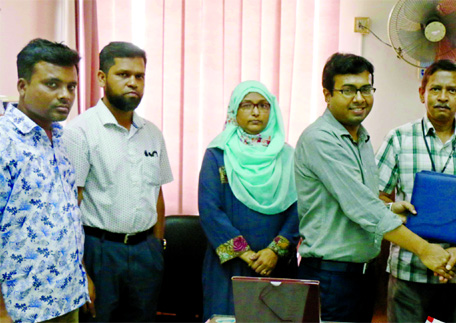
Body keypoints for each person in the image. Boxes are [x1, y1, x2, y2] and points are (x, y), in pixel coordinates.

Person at [294, 53, 453, 322]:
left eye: (366, 89)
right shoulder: (320, 139)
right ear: (327, 94)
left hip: (362, 276)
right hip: (331, 276)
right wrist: (424, 249)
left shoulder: (361, 136)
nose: (359, 98)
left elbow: (358, 200)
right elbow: (360, 207)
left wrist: (390, 207)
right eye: (348, 90)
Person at [376, 59, 456, 322]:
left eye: (451, 90)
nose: (443, 97)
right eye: (435, 89)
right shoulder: (399, 138)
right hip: (410, 272)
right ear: (422, 93)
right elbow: (374, 198)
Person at [64, 42, 173, 322]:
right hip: (100, 252)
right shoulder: (80, 132)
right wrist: (80, 269)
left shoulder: (152, 133)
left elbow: (156, 194)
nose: (133, 83)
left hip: (145, 252)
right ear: (102, 78)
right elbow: (69, 206)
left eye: (139, 76)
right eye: (123, 74)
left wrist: (156, 246)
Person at [0, 38, 91, 322]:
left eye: (71, 86)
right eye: (52, 84)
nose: (65, 94)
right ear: (23, 86)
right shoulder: (4, 142)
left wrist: (81, 274)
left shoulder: (61, 138)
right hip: (21, 308)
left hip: (66, 296)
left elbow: (65, 217)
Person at [198, 80, 299, 319]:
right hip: (229, 267)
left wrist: (275, 251)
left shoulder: (287, 156)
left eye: (263, 105)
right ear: (234, 110)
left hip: (276, 266)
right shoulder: (218, 154)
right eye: (247, 105)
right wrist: (244, 253)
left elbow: (299, 208)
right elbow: (210, 210)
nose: (255, 111)